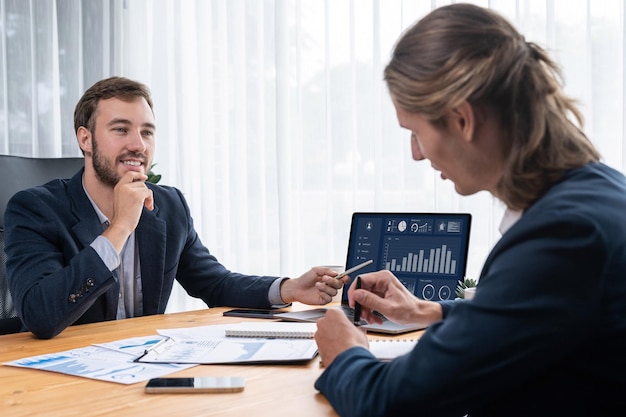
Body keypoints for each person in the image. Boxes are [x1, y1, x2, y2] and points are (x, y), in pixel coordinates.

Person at [314, 4, 626, 416]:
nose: (416, 155)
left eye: (416, 132)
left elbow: (392, 403)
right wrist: (432, 311)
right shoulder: (598, 188)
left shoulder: (565, 234)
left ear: (462, 119)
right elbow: (549, 312)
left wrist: (345, 352)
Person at [4, 76, 346, 340]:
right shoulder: (35, 209)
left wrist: (289, 288)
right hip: (58, 380)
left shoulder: (169, 205)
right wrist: (120, 226)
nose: (137, 145)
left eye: (147, 132)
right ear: (85, 139)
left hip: (139, 368)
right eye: (121, 129)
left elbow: (215, 284)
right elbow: (40, 314)